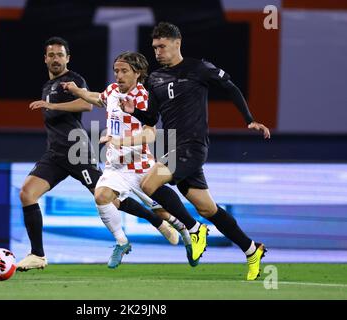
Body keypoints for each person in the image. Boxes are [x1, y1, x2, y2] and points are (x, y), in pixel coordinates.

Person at [122, 22, 271, 281]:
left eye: (162, 46)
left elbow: (230, 87)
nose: (157, 52)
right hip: (170, 147)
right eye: (154, 47)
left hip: (192, 145)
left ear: (177, 43)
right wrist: (132, 110)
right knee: (207, 208)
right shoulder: (155, 78)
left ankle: (194, 229)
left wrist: (249, 119)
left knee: (148, 184)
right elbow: (152, 117)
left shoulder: (198, 68)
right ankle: (251, 249)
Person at [17, 37, 179, 271]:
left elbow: (86, 105)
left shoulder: (72, 79)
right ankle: (37, 255)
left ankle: (159, 221)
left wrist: (52, 105)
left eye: (60, 55)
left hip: (76, 150)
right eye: (51, 55)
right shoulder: (47, 86)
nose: (55, 59)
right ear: (45, 59)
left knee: (110, 199)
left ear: (67, 58)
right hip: (54, 154)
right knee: (27, 194)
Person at [60, 51, 207, 268]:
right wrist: (75, 90)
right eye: (116, 71)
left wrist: (121, 141)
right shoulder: (111, 91)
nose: (118, 75)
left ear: (137, 73)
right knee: (101, 196)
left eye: (124, 71)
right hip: (115, 166)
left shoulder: (143, 97)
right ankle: (121, 242)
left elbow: (150, 134)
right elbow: (96, 98)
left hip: (141, 165)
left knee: (164, 212)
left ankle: (187, 234)